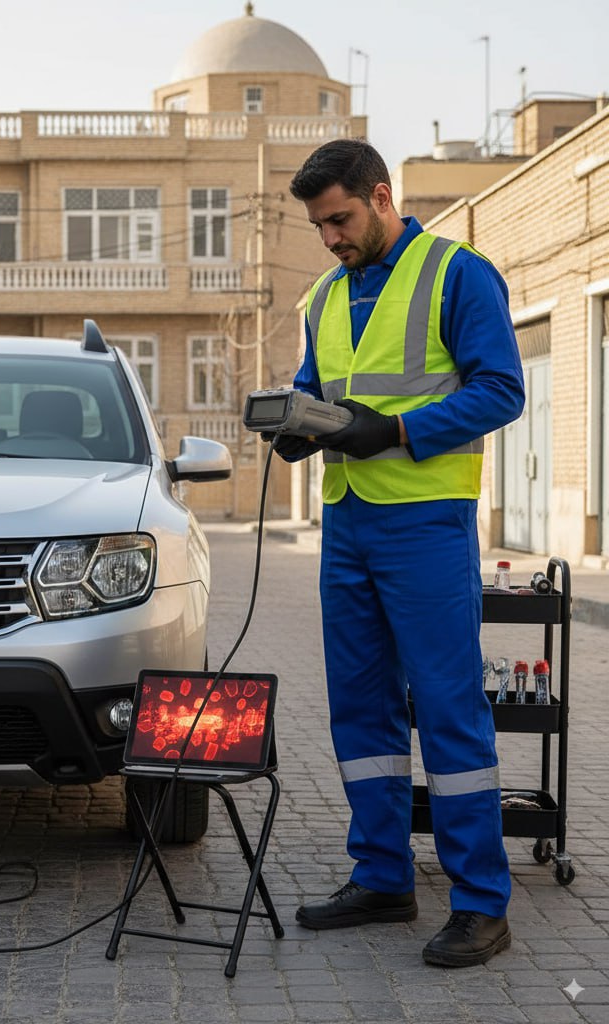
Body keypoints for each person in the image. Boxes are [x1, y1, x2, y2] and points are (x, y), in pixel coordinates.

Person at [276, 138, 525, 968]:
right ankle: (382, 876)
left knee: (449, 708)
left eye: (340, 219)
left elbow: (501, 389)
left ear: (382, 197)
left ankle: (482, 904)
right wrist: (293, 426)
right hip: (346, 524)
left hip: (424, 523)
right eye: (319, 226)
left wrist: (401, 429)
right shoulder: (321, 295)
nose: (331, 239)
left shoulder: (458, 273)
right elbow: (318, 390)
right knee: (361, 710)